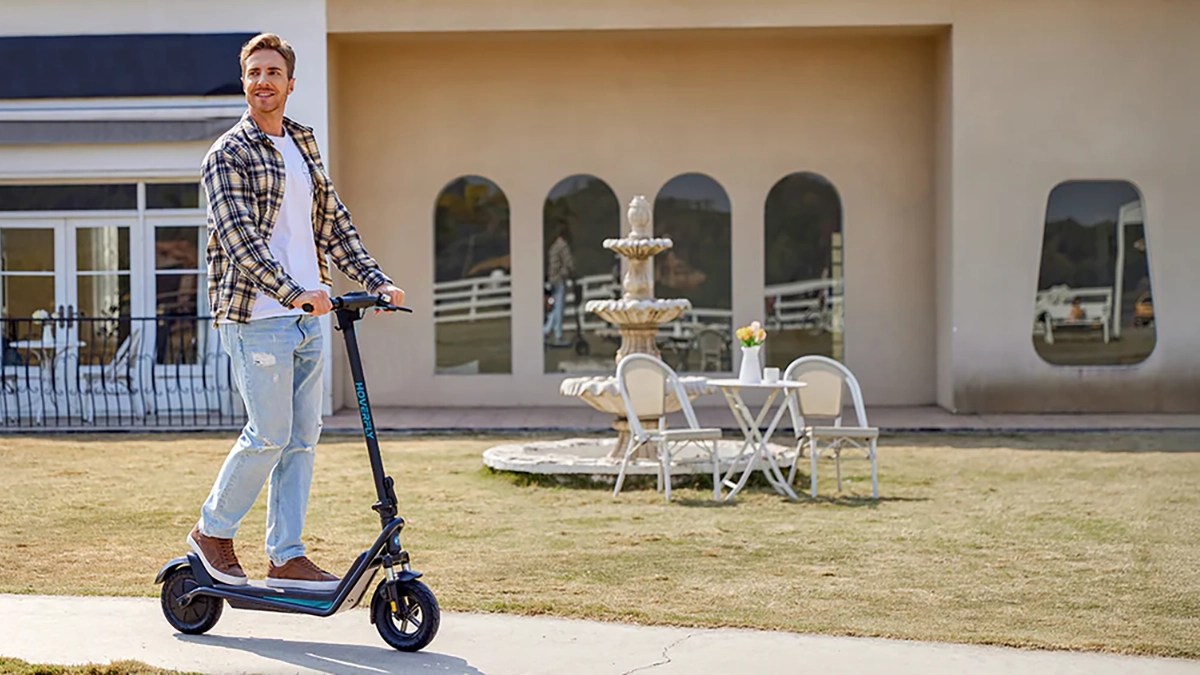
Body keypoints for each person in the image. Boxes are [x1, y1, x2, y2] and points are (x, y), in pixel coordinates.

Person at [188, 33, 405, 591]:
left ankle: (286, 555)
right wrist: (293, 292)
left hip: (309, 315)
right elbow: (239, 241)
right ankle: (212, 533)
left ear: (290, 83)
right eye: (254, 72)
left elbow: (333, 223)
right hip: (258, 315)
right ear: (244, 82)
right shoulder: (227, 154)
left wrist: (376, 281)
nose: (263, 81)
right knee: (269, 434)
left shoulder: (303, 144)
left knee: (302, 439)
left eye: (273, 72)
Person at [542, 222, 574, 346]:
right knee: (559, 308)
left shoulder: (553, 246)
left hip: (552, 279)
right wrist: (571, 271)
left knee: (555, 308)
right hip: (560, 279)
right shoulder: (563, 246)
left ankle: (546, 330)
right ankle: (558, 335)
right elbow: (568, 262)